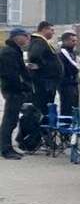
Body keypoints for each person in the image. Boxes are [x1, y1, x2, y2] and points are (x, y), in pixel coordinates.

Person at [1, 26, 30, 159]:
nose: (27, 38)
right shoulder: (9, 52)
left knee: (11, 120)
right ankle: (5, 149)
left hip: (14, 89)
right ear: (17, 37)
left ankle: (7, 147)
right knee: (10, 120)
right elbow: (11, 74)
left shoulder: (14, 51)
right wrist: (22, 87)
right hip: (13, 90)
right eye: (25, 36)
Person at [25, 22, 62, 120]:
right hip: (45, 82)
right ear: (44, 29)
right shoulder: (39, 42)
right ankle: (41, 126)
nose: (53, 33)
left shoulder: (43, 42)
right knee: (43, 108)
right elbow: (35, 55)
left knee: (46, 107)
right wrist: (41, 66)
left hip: (48, 82)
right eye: (51, 30)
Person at [57, 31, 80, 117]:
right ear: (65, 41)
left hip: (73, 82)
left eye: (76, 41)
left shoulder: (72, 52)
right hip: (66, 83)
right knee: (67, 106)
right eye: (73, 41)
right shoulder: (63, 53)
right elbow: (74, 67)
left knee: (74, 105)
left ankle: (73, 121)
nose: (75, 43)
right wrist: (79, 65)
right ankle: (66, 122)